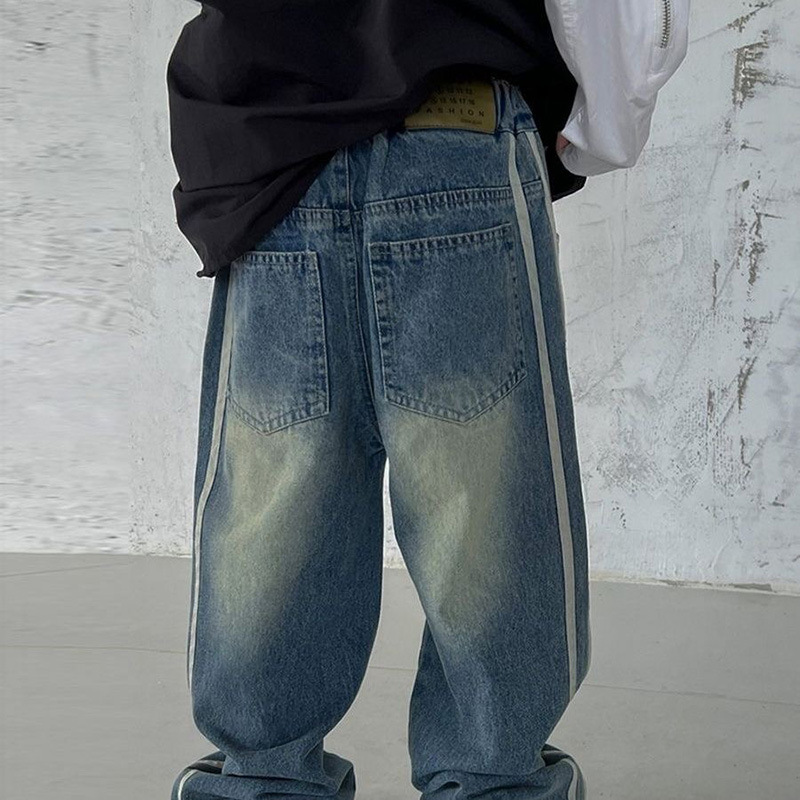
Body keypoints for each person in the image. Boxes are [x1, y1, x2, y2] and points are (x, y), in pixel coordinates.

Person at [166, 2, 690, 799]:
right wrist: (604, 123)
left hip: (270, 146)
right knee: (486, 518)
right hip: (454, 131)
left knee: (273, 521)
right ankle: (491, 781)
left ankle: (262, 783)